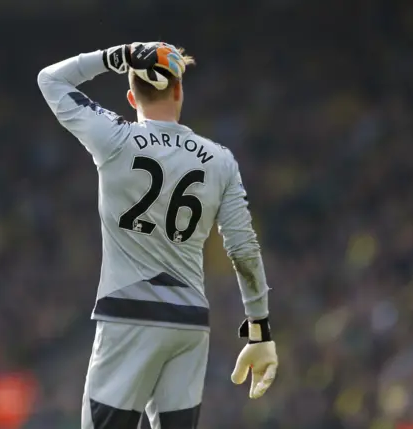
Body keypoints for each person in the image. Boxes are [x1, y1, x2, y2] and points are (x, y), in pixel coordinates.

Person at [37, 42, 278, 429]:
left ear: (131, 96)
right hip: (189, 324)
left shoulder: (114, 138)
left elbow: (50, 79)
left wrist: (113, 56)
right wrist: (259, 328)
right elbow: (243, 249)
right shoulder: (220, 160)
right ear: (180, 90)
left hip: (128, 316)